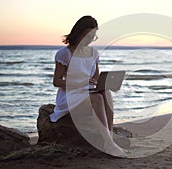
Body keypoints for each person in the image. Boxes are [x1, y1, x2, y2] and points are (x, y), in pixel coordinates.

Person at [50, 15, 126, 157]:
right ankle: (109, 144)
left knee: (106, 93)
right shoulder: (64, 53)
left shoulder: (93, 53)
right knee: (97, 98)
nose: (90, 39)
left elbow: (95, 77)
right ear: (78, 33)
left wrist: (101, 83)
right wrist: (79, 83)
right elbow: (57, 81)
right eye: (87, 35)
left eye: (93, 36)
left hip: (87, 92)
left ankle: (109, 140)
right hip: (70, 95)